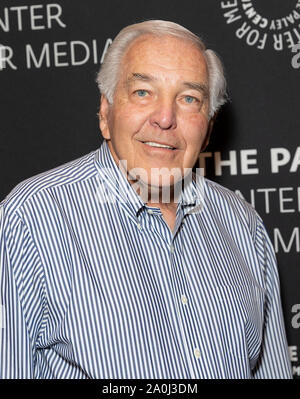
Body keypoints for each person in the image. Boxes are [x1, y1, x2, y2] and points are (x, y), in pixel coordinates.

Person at [0, 20, 292, 379]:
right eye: (143, 92)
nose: (165, 118)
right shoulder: (30, 220)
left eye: (189, 99)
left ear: (209, 126)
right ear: (105, 113)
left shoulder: (243, 224)